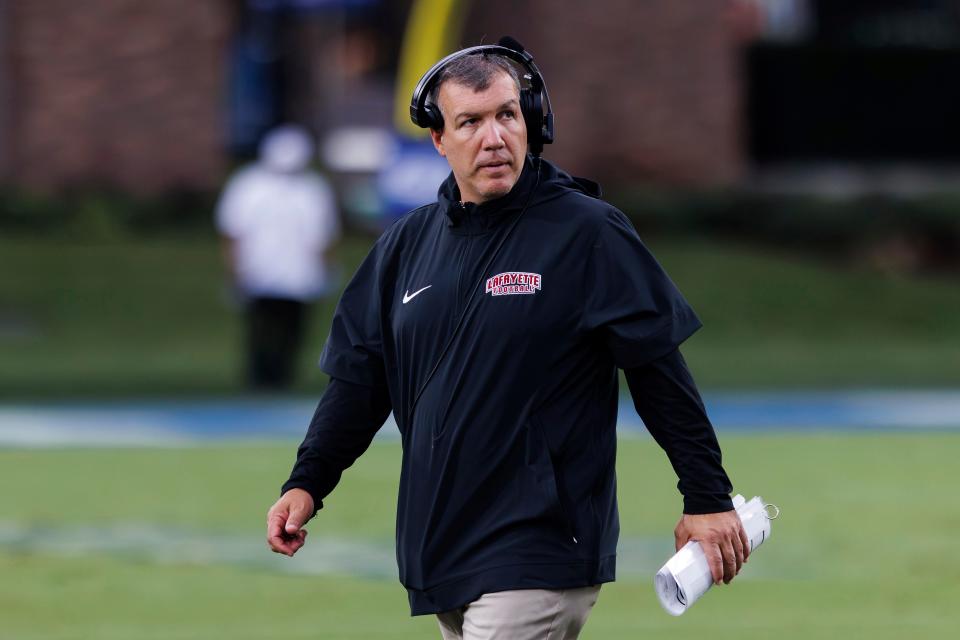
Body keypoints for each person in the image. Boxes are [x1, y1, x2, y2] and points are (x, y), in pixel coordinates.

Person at [267, 39, 748, 639]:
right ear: (439, 140)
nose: (494, 136)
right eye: (469, 121)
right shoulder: (405, 245)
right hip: (442, 544)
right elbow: (360, 383)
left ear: (532, 121)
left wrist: (707, 496)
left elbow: (658, 371)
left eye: (506, 115)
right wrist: (308, 481)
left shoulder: (586, 232)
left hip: (540, 543)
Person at [216, 124, 340, 390]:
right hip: (263, 272)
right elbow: (233, 232)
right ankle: (260, 377)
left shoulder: (308, 189)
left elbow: (322, 235)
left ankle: (279, 378)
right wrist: (235, 270)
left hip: (293, 275)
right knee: (263, 329)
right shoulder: (252, 185)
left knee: (287, 329)